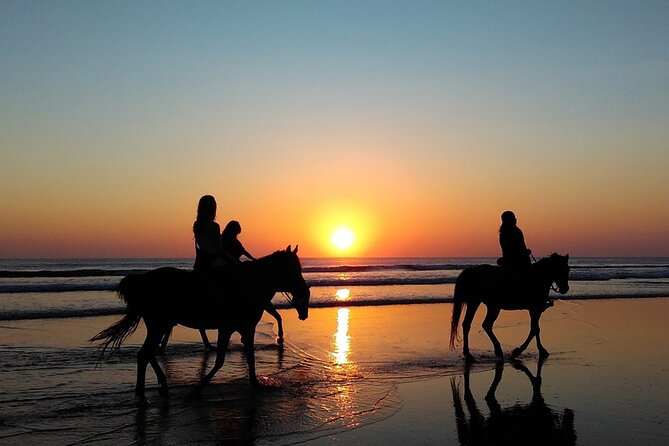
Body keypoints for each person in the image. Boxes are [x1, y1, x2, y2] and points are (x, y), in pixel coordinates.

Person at [221, 220, 285, 342]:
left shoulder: (235, 240)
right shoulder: (225, 240)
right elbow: (224, 254)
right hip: (229, 265)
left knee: (249, 267)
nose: (237, 234)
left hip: (236, 264)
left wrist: (255, 260)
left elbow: (244, 252)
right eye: (236, 231)